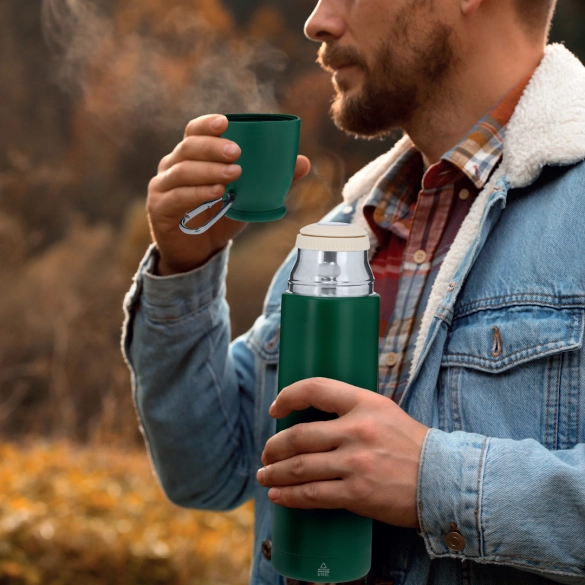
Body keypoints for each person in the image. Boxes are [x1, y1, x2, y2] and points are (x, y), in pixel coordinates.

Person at [122, 0, 585, 583]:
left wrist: (432, 479)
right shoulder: (346, 229)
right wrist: (185, 266)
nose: (318, 21)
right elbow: (206, 470)